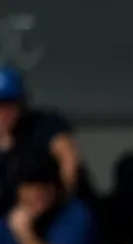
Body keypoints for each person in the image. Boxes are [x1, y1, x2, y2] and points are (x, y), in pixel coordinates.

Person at [0, 66, 83, 213]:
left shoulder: (42, 125)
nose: (4, 112)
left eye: (10, 105)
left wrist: (56, 201)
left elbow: (68, 160)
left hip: (53, 211)